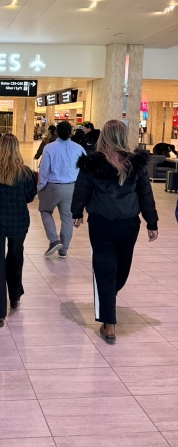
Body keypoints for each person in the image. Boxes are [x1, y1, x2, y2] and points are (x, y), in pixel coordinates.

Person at [71, 120, 158, 344]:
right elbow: (145, 194)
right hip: (128, 224)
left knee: (108, 270)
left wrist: (77, 211)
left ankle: (108, 302)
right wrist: (150, 223)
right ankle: (109, 323)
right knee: (118, 269)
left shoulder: (93, 162)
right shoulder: (133, 164)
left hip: (102, 224)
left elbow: (82, 189)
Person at [0, 133, 36, 327]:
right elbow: (30, 197)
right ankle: (14, 296)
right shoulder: (25, 173)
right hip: (17, 223)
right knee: (15, 258)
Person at [38, 121, 85, 258]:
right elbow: (84, 170)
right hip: (72, 187)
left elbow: (44, 170)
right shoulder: (79, 148)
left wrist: (40, 186)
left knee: (45, 211)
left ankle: (54, 240)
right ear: (71, 132)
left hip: (52, 186)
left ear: (56, 132)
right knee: (67, 218)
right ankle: (63, 250)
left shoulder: (49, 148)